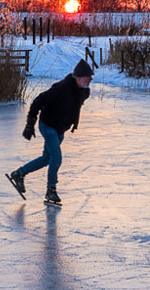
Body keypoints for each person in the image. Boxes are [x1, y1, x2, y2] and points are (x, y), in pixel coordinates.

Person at [8, 59, 93, 205]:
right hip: (48, 125)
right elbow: (38, 101)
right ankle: (51, 190)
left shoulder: (85, 92)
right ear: (78, 77)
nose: (91, 79)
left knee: (47, 158)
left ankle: (19, 174)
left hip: (60, 129)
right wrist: (30, 124)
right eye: (88, 76)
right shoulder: (61, 88)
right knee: (56, 158)